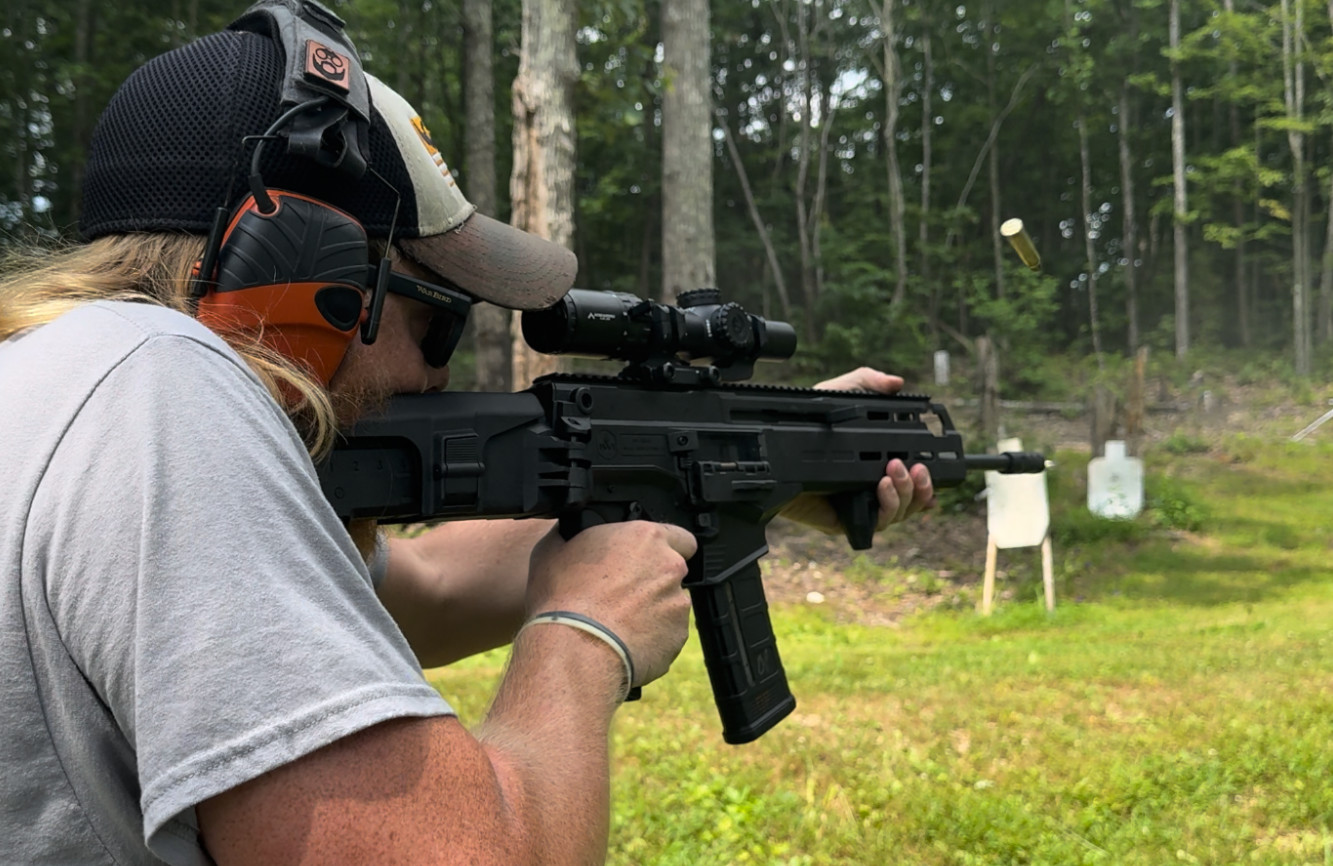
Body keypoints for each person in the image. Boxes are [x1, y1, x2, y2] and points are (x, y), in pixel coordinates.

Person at [0, 4, 935, 864]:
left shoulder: (74, 385)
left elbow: (426, 590)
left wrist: (758, 471)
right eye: (436, 321)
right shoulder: (164, 393)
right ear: (307, 279)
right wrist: (582, 637)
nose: (437, 375)